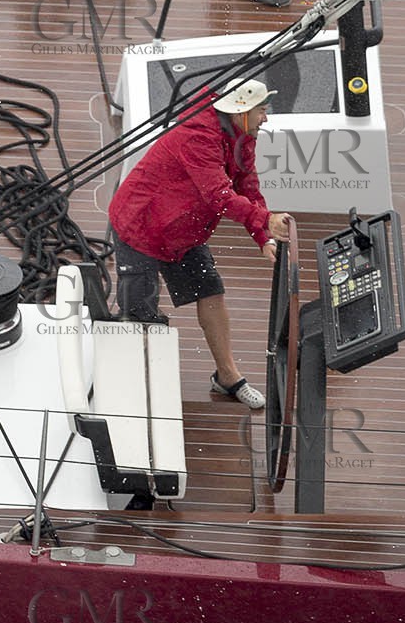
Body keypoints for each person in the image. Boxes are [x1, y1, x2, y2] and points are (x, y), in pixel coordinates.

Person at [108, 79, 289, 410]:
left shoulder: (242, 135)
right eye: (262, 111)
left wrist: (263, 236)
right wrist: (265, 219)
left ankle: (227, 377)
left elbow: (246, 186)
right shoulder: (198, 136)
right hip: (140, 226)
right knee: (140, 315)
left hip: (183, 230)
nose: (266, 118)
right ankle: (133, 389)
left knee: (211, 292)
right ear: (241, 112)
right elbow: (219, 195)